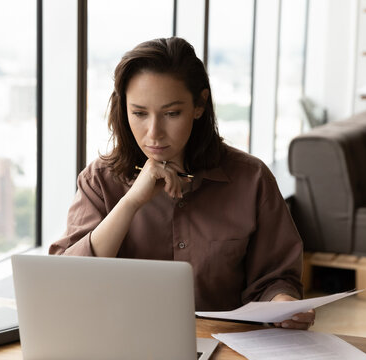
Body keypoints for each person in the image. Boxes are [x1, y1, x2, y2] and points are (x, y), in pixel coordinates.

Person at [49, 37, 314, 329]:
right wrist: (131, 202)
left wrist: (284, 304)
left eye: (171, 113)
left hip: (223, 347)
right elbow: (64, 281)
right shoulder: (99, 180)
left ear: (199, 105)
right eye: (139, 113)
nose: (154, 133)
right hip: (120, 344)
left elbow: (276, 279)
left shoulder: (251, 179)